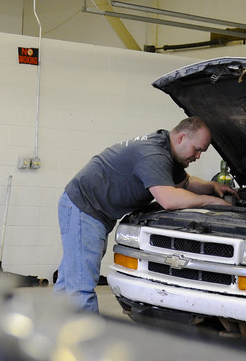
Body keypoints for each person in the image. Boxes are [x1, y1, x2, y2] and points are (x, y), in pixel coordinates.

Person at [53, 116, 236, 312]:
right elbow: (169, 199)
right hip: (84, 208)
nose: (198, 156)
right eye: (197, 149)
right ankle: (85, 341)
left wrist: (212, 186)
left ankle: (56, 328)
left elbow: (187, 183)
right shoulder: (153, 154)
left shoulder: (169, 151)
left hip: (90, 210)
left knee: (70, 281)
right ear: (182, 137)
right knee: (80, 288)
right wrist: (211, 201)